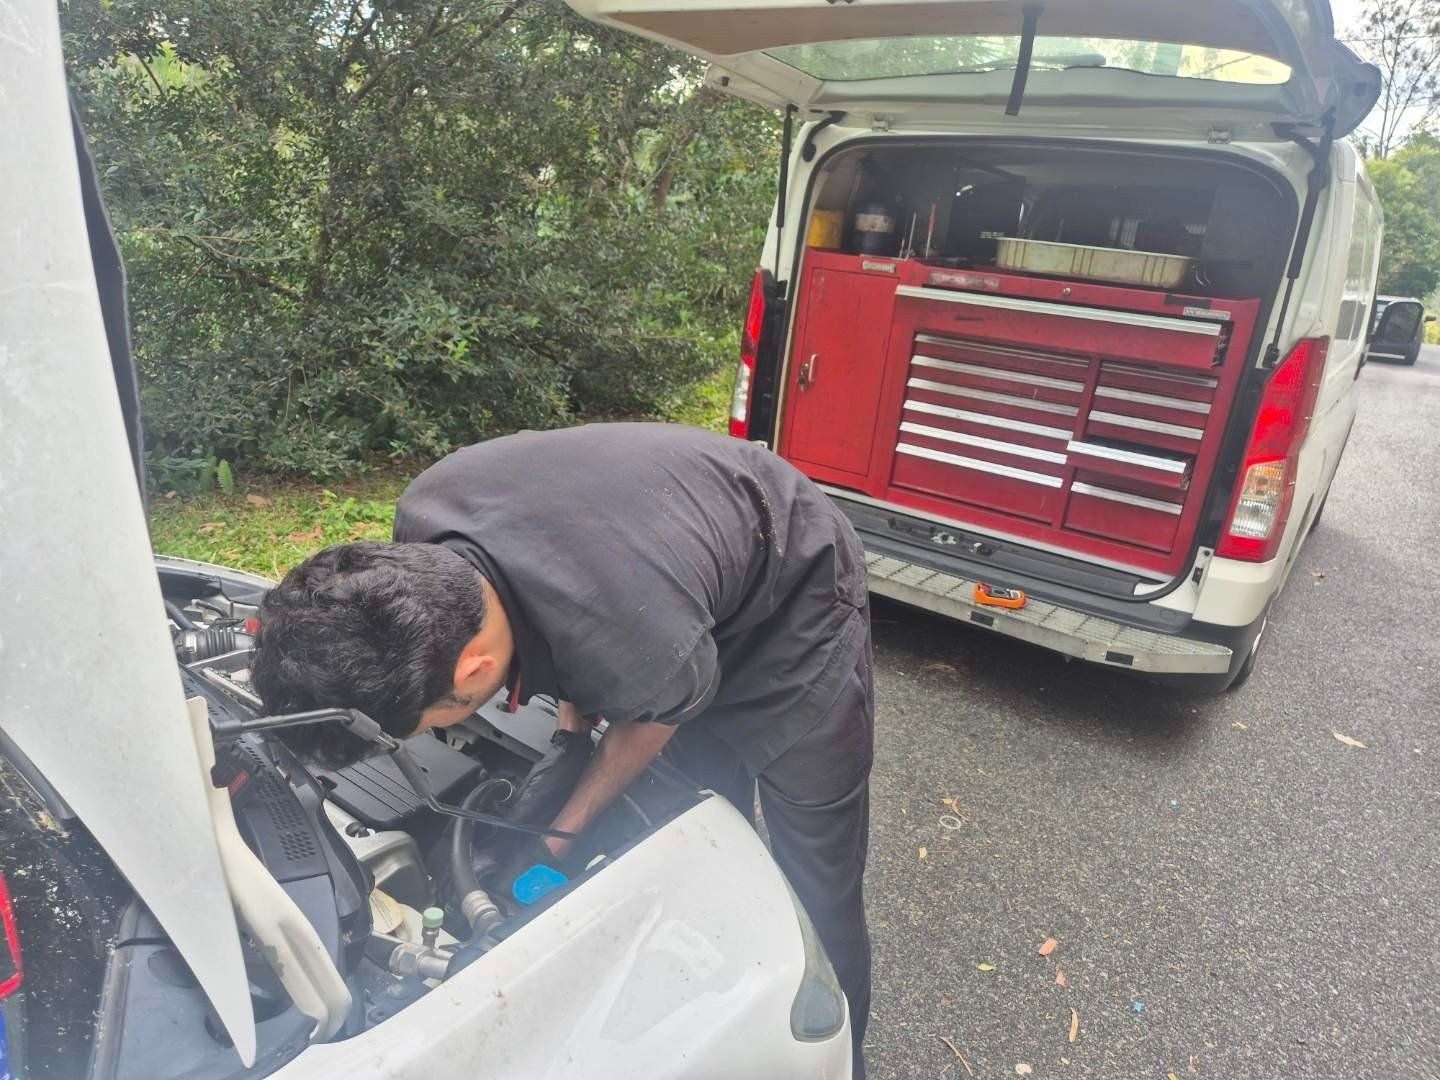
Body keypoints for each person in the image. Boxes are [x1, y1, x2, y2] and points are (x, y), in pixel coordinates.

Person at [251, 422, 874, 1074]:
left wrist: (557, 837)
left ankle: (841, 1057)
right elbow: (571, 629)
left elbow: (648, 702)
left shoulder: (635, 643)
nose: (429, 736)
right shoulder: (426, 521)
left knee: (817, 878)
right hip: (654, 588)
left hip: (791, 585)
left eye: (423, 726)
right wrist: (571, 734)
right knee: (706, 806)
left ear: (471, 675)